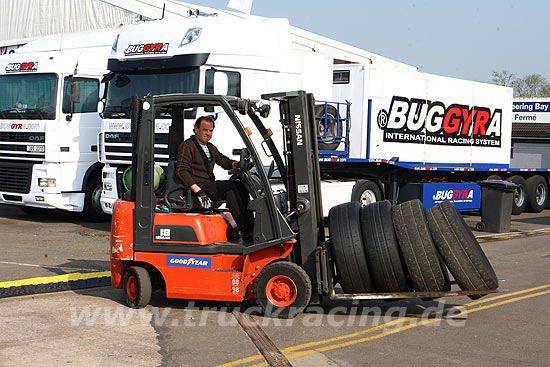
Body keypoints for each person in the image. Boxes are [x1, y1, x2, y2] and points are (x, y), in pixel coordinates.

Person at [176, 115, 254, 241]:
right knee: (228, 188)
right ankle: (245, 229)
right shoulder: (188, 146)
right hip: (197, 187)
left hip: (208, 185)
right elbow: (181, 171)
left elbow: (222, 160)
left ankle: (251, 228)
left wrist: (237, 164)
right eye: (205, 130)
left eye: (210, 130)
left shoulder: (210, 147)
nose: (208, 133)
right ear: (196, 129)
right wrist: (199, 191)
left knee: (240, 185)